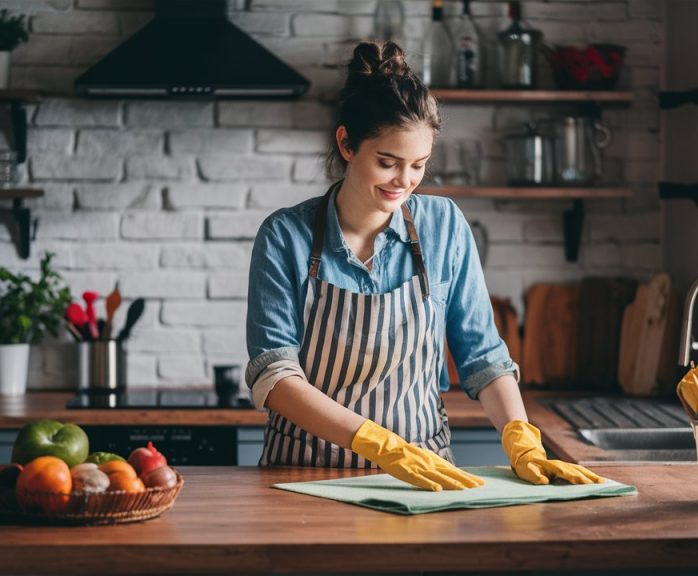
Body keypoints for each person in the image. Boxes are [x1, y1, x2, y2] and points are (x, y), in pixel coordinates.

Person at [245, 41, 601, 491]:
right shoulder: (285, 236)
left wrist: (521, 439)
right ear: (346, 144)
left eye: (419, 165)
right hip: (306, 473)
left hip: (423, 480)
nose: (405, 182)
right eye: (388, 163)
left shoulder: (444, 225)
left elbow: (484, 359)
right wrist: (380, 445)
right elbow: (274, 375)